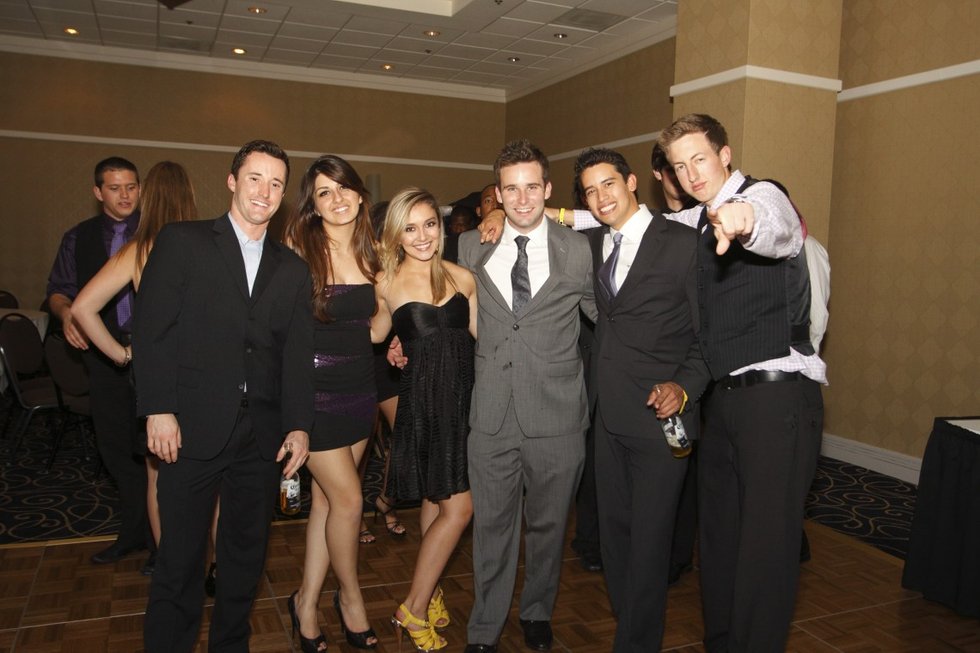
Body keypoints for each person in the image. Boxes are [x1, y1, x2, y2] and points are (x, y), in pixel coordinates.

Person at [133, 140, 313, 652]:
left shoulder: (292, 268)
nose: (264, 191)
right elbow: (152, 332)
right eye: (255, 178)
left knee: (244, 560)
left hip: (261, 438)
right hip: (189, 428)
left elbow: (296, 355)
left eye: (276, 183)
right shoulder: (183, 242)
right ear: (233, 181)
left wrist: (299, 425)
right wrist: (158, 409)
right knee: (180, 561)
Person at [659, 114, 826, 652]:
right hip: (725, 403)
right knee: (721, 541)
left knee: (765, 549)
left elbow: (773, 226)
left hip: (778, 399)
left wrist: (742, 218)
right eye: (680, 166)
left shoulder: (764, 195)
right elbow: (632, 223)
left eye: (699, 159)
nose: (691, 174)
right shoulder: (694, 218)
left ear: (724, 154)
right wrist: (540, 215)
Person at [459, 139, 597, 653]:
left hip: (558, 416)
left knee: (549, 526)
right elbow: (441, 302)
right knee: (491, 529)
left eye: (532, 187)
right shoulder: (470, 245)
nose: (522, 199)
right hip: (491, 414)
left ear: (548, 189)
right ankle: (484, 627)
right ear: (497, 193)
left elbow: (604, 315)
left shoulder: (577, 249)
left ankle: (537, 610)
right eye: (511, 189)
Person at [573, 147, 710, 652]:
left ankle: (637, 642)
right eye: (590, 191)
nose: (600, 197)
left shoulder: (684, 244)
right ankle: (630, 624)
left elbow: (708, 335)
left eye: (608, 184)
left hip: (661, 418)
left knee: (651, 541)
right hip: (607, 417)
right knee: (614, 538)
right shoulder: (590, 244)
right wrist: (500, 214)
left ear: (632, 182)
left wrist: (684, 386)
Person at [71, 161, 197, 576]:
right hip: (196, 375)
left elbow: (82, 308)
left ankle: (168, 565)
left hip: (153, 376)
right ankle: (206, 563)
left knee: (157, 476)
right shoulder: (207, 248)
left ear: (148, 195)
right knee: (202, 477)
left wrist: (122, 355)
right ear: (189, 196)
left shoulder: (137, 250)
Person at [281, 154, 381, 652]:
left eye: (343, 188)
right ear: (313, 205)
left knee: (325, 503)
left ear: (359, 195)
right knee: (350, 501)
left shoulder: (374, 250)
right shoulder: (297, 248)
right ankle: (351, 599)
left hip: (360, 390)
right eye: (324, 192)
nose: (336, 199)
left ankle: (305, 602)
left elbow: (376, 329)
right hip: (312, 394)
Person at [374, 187, 478, 651]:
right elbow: (372, 335)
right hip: (422, 404)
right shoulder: (385, 282)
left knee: (438, 503)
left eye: (429, 224)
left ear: (441, 226)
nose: (421, 236)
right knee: (460, 508)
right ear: (396, 235)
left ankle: (430, 591)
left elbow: (485, 340)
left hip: (464, 402)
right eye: (410, 228)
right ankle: (413, 610)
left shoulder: (464, 278)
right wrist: (395, 344)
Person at [46, 156, 149, 566]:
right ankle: (134, 531)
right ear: (98, 192)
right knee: (115, 447)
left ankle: (161, 540)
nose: (125, 195)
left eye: (131, 187)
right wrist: (67, 314)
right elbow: (58, 291)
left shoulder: (158, 232)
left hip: (151, 357)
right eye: (115, 188)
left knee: (156, 452)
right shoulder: (78, 237)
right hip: (103, 358)